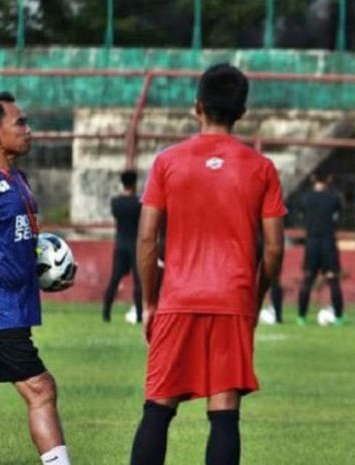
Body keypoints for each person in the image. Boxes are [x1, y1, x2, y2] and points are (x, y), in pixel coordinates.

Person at [130, 63, 286, 465]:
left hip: (178, 298)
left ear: (196, 106)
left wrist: (150, 301)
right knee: (224, 411)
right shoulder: (261, 168)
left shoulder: (167, 162)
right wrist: (256, 294)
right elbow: (273, 249)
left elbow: (147, 238)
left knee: (158, 407)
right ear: (243, 112)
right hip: (233, 297)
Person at [0, 92, 73, 464]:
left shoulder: (19, 180)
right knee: (41, 389)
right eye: (21, 123)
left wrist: (49, 268)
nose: (29, 131)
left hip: (8, 306)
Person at [297, 171, 344, 326]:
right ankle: (338, 317)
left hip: (311, 243)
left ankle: (301, 317)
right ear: (329, 179)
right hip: (328, 242)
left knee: (308, 279)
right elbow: (338, 215)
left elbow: (302, 216)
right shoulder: (333, 198)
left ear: (312, 179)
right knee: (332, 280)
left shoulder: (305, 199)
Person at [102, 169, 143, 323]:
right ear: (134, 183)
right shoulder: (138, 203)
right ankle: (139, 314)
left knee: (114, 279)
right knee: (138, 282)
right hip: (135, 245)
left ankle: (106, 312)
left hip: (120, 244)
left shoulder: (116, 203)